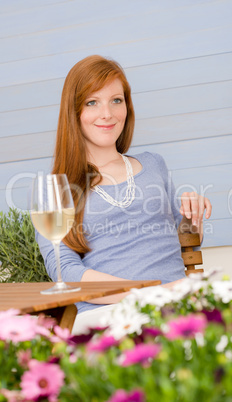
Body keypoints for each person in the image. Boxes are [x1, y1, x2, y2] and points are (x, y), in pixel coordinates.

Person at [36, 55, 212, 334]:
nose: (107, 113)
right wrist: (148, 296)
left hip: (176, 306)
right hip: (108, 316)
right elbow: (65, 272)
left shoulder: (154, 164)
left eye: (116, 100)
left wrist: (194, 214)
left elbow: (187, 237)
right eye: (92, 102)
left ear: (127, 107)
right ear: (74, 112)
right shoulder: (58, 187)